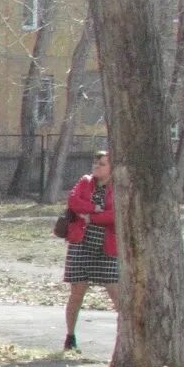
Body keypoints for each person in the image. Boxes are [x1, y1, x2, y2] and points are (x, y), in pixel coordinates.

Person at [62, 149, 120, 351]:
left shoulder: (118, 187)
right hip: (81, 243)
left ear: (112, 168)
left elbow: (115, 215)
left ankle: (125, 338)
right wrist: (96, 209)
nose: (96, 167)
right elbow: (73, 201)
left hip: (107, 245)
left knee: (115, 290)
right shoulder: (86, 182)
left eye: (102, 164)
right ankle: (70, 336)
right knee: (77, 290)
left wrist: (92, 217)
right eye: (95, 163)